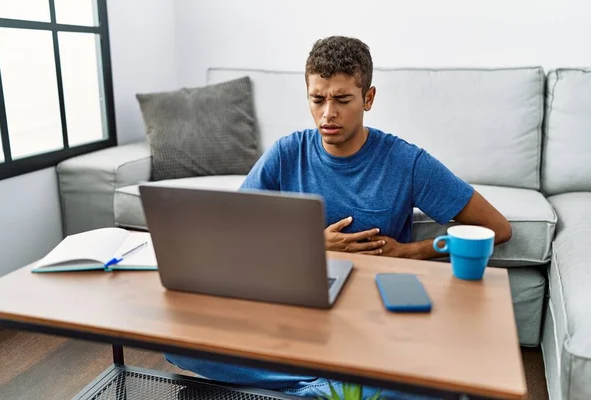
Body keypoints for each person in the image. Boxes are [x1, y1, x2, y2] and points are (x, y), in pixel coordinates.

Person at [167, 36, 512, 399]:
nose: (328, 114)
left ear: (368, 98)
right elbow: (233, 232)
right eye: (317, 99)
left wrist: (411, 252)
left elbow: (497, 228)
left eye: (342, 99)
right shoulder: (286, 153)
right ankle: (325, 386)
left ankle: (311, 384)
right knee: (177, 343)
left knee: (457, 383)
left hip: (371, 314)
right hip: (295, 309)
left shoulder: (407, 162)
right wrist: (309, 245)